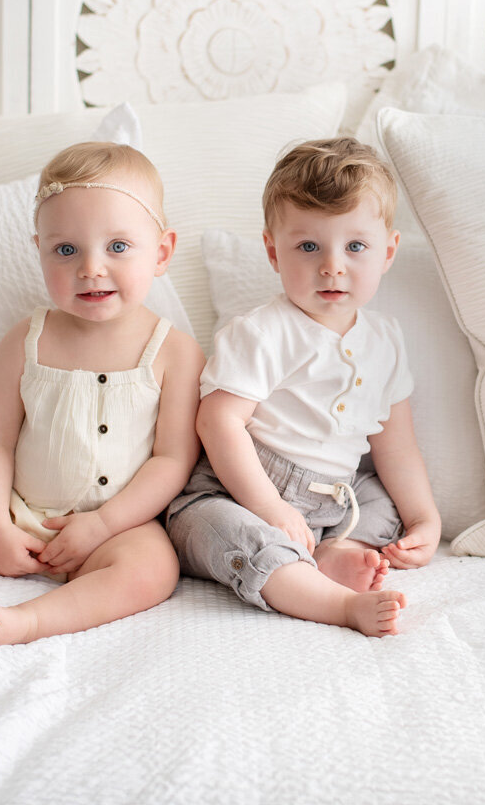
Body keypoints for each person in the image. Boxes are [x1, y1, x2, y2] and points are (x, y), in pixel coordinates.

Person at [0, 141, 203, 646]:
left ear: (161, 253)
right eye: (66, 250)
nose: (91, 268)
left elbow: (172, 461)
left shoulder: (175, 352)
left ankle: (34, 619)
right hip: (13, 511)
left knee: (154, 568)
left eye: (117, 247)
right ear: (40, 250)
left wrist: (101, 526)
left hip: (110, 528)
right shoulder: (27, 339)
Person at [166, 137, 440, 637]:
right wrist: (269, 508)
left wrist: (425, 519)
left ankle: (336, 550)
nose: (332, 266)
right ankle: (335, 604)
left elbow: (396, 445)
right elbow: (218, 421)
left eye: (355, 247)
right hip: (236, 487)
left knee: (384, 500)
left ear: (388, 251)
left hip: (334, 496)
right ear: (273, 250)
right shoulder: (264, 331)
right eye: (308, 246)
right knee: (236, 535)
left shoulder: (386, 340)